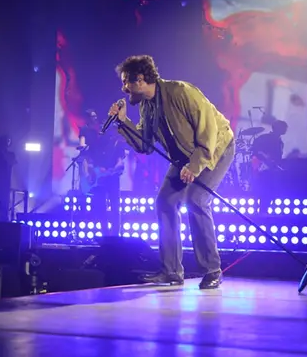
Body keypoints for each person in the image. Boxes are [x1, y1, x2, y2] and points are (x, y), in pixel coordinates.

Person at [108, 55, 234, 289]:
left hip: (215, 148)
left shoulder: (180, 91)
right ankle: (171, 271)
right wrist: (123, 122)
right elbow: (144, 146)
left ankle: (212, 270)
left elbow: (209, 130)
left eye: (127, 82)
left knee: (196, 199)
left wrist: (195, 165)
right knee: (165, 203)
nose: (124, 88)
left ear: (142, 79)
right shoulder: (147, 106)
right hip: (183, 158)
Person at [79, 110, 126, 236]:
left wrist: (112, 170)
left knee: (115, 206)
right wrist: (93, 170)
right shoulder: (96, 143)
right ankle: (104, 233)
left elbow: (120, 162)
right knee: (100, 207)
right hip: (99, 180)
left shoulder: (117, 143)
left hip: (112, 178)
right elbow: (89, 159)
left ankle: (115, 234)